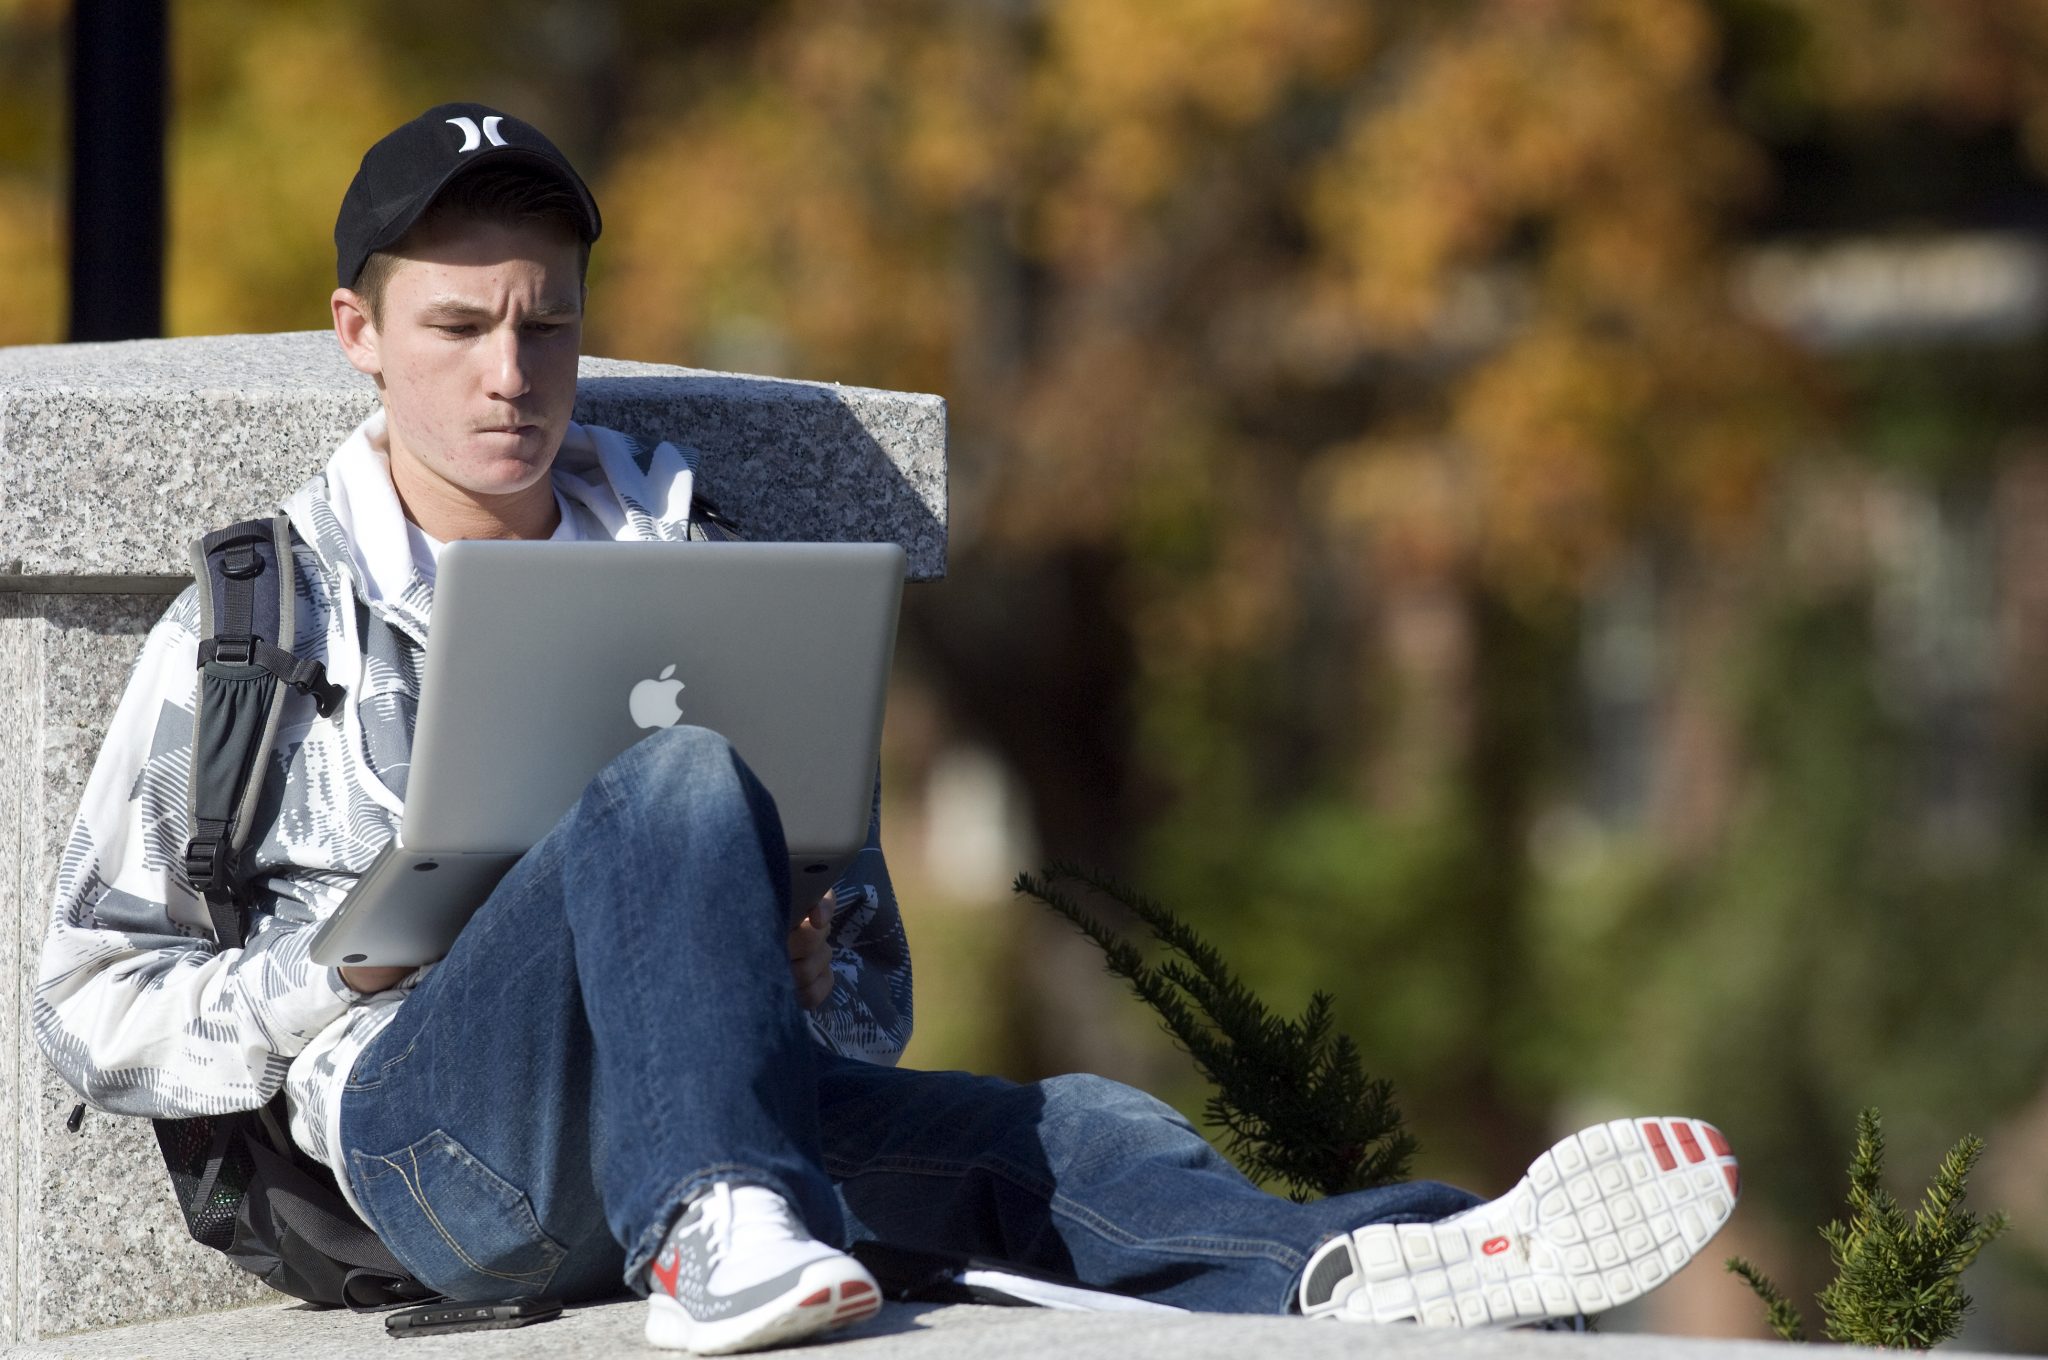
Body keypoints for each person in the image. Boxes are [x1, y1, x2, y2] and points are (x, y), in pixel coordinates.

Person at [32, 103, 1739, 1355]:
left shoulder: (698, 592)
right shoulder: (265, 619)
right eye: (459, 326)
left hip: (722, 1121)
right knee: (676, 779)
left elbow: (876, 997)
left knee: (1073, 1131)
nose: (511, 373)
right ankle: (718, 1225)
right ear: (361, 340)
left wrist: (785, 958)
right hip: (441, 1154)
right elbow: (83, 1005)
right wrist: (338, 968)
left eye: (547, 323)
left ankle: (1398, 1262)